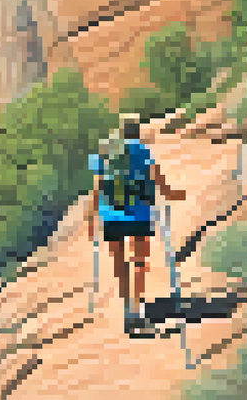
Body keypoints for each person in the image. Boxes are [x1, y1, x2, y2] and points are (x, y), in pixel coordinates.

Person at [87, 114, 186, 332]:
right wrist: (174, 194)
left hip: (111, 215)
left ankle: (126, 311)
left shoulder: (108, 153)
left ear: (121, 132)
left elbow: (98, 187)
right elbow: (158, 180)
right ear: (137, 132)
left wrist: (91, 217)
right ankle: (138, 310)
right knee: (139, 262)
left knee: (121, 265)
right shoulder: (142, 151)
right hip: (139, 215)